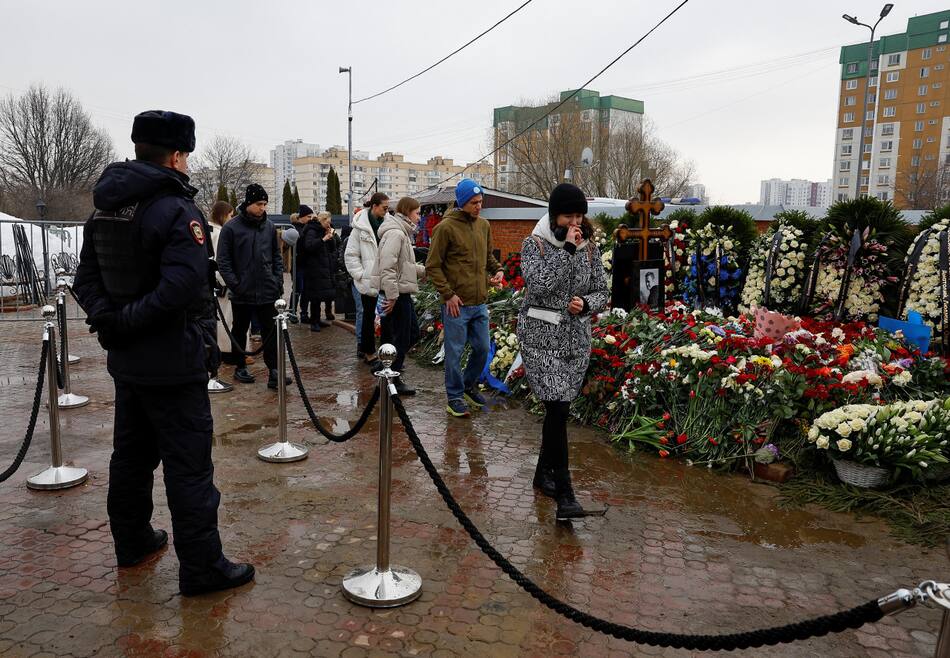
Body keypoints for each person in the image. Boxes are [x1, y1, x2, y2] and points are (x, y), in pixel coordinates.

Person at [72, 110, 254, 595]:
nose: (189, 164)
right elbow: (181, 286)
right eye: (187, 156)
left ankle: (132, 541)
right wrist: (124, 323)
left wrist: (111, 323)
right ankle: (202, 568)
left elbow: (84, 282)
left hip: (129, 361)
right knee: (189, 468)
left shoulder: (105, 208)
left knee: (130, 459)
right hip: (173, 362)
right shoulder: (176, 210)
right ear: (176, 155)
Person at [516, 183, 609, 521]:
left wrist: (586, 303)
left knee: (559, 411)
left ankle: (543, 475)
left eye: (580, 216)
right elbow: (539, 285)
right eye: (569, 216)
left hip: (575, 341)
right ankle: (566, 494)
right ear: (554, 215)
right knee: (555, 407)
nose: (576, 223)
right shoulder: (535, 245)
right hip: (541, 339)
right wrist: (565, 251)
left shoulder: (590, 249)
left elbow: (602, 290)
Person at [425, 179, 504, 418]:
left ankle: (468, 386)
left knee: (481, 348)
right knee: (455, 352)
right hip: (456, 304)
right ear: (461, 203)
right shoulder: (445, 228)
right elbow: (433, 266)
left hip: (479, 302)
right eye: (473, 202)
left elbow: (487, 257)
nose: (478, 206)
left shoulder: (484, 225)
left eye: (480, 202)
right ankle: (455, 397)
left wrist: (498, 270)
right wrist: (448, 295)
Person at [216, 183, 290, 390]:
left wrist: (277, 280)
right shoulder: (231, 228)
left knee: (270, 331)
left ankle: (274, 370)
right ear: (248, 203)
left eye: (265, 204)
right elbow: (224, 260)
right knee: (240, 329)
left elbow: (276, 256)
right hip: (243, 291)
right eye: (259, 204)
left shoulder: (269, 226)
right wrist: (236, 284)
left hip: (267, 290)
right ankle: (239, 366)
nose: (263, 208)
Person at [372, 196, 425, 396]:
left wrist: (424, 271)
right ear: (407, 212)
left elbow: (403, 266)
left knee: (403, 334)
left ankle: (384, 367)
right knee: (404, 335)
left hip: (398, 292)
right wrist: (392, 296)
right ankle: (391, 376)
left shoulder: (401, 232)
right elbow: (388, 267)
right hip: (396, 294)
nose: (419, 218)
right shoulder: (396, 233)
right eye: (417, 213)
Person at [345, 193, 388, 365]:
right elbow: (351, 255)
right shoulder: (359, 228)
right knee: (368, 316)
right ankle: (368, 351)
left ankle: (386, 351)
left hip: (386, 279)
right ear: (374, 206)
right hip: (368, 280)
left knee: (386, 317)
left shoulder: (388, 225)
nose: (386, 211)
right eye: (384, 208)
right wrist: (361, 275)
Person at [299, 210, 337, 332]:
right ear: (322, 220)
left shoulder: (323, 231)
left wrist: (331, 237)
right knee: (315, 296)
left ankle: (318, 319)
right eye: (328, 222)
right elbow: (309, 246)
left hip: (324, 267)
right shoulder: (312, 230)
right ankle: (314, 321)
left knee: (321, 295)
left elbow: (332, 249)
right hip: (314, 268)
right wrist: (324, 239)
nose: (329, 225)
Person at [289, 209, 310, 324]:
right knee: (299, 289)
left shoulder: (301, 229)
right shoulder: (295, 229)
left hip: (301, 264)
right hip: (299, 264)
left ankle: (298, 312)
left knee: (300, 289)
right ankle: (297, 312)